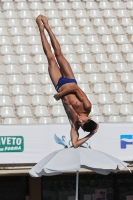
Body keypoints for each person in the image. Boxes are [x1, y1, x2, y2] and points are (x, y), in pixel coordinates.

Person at [36, 15, 99, 148]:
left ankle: (41, 29)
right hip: (69, 80)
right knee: (58, 54)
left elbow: (75, 144)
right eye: (83, 120)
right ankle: (47, 26)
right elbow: (76, 89)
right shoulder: (87, 106)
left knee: (50, 58)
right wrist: (60, 95)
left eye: (81, 123)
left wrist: (91, 134)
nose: (80, 120)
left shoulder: (74, 122)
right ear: (89, 118)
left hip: (59, 84)